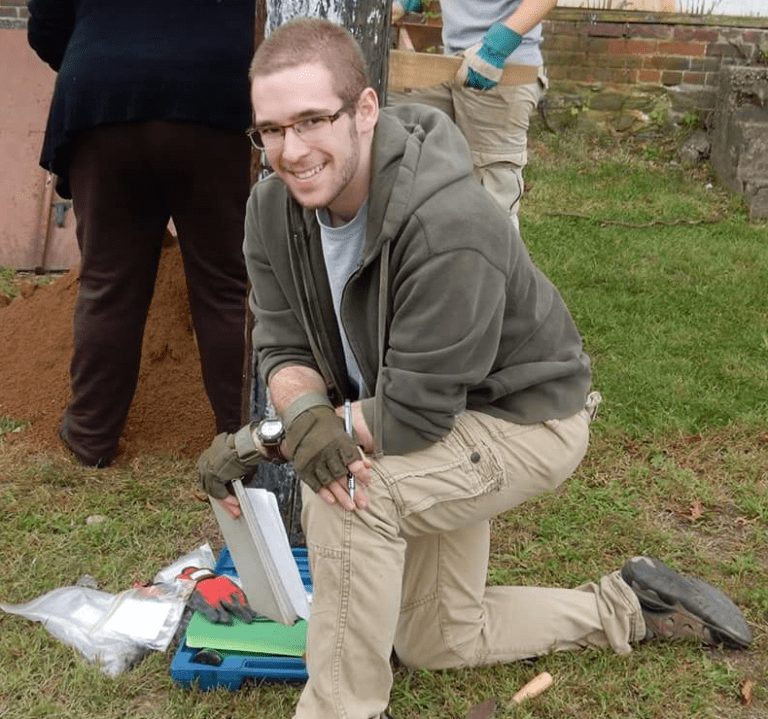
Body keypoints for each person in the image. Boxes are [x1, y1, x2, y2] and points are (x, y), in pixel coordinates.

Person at [197, 18, 752, 719]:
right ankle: (630, 605)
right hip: (434, 411)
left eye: (312, 120)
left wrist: (274, 438)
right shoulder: (271, 209)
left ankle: (340, 709)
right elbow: (282, 349)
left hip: (524, 418)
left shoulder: (447, 223)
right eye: (271, 130)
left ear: (365, 110)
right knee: (435, 635)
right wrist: (300, 413)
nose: (292, 150)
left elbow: (413, 415)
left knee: (346, 494)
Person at [27, 0, 255, 467]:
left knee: (107, 284)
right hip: (215, 92)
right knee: (227, 285)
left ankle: (89, 436)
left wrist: (109, 56)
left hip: (102, 89)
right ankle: (245, 438)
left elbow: (46, 24)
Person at [389, 0, 557, 229]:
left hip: (500, 68)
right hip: (456, 64)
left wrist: (497, 46)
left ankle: (497, 264)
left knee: (491, 205)